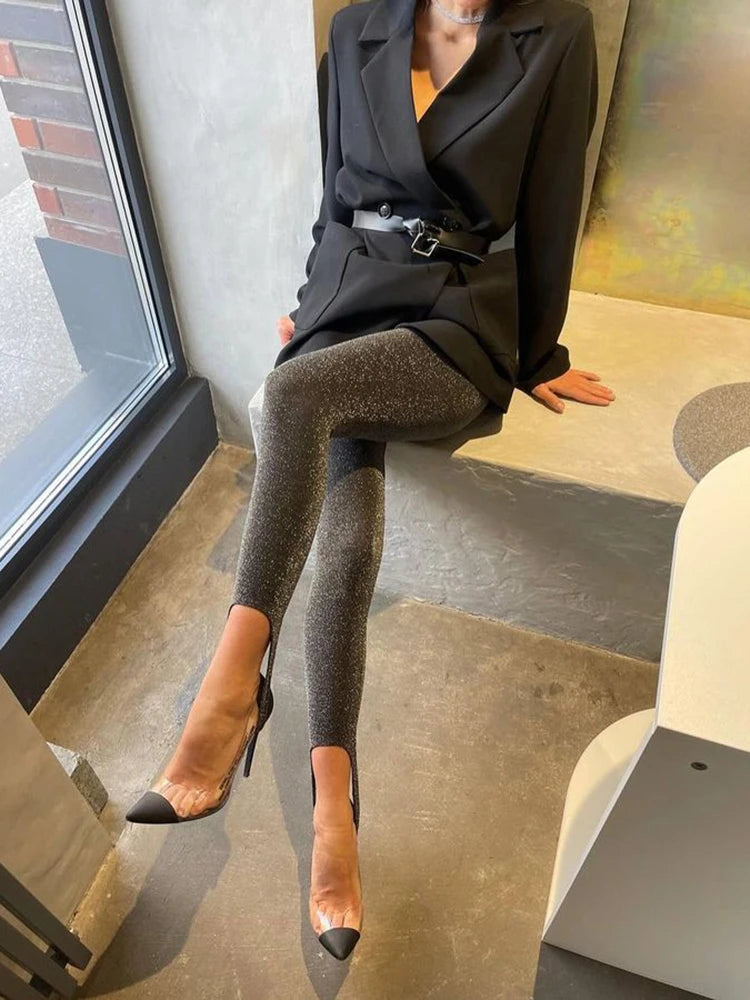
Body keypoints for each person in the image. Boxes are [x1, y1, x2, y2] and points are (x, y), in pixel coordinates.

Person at [126, 0, 614, 962]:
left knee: (293, 396)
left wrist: (539, 354)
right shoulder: (357, 30)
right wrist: (312, 304)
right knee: (346, 542)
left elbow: (553, 206)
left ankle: (229, 693)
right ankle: (334, 807)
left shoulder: (556, 32)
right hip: (348, 293)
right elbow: (332, 197)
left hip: (455, 315)